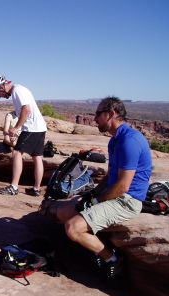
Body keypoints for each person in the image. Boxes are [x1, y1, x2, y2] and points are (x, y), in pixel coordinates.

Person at [53, 96, 152, 280]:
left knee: (72, 228)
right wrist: (92, 194)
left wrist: (96, 201)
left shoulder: (129, 141)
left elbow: (123, 186)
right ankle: (94, 245)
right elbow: (110, 177)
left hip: (128, 201)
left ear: (111, 114)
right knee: (61, 212)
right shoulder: (115, 140)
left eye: (98, 114)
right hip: (115, 195)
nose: (94, 119)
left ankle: (112, 258)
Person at [0, 75, 47, 197]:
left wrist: (16, 128)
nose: (0, 96)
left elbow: (26, 110)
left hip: (32, 128)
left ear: (2, 87)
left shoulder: (17, 90)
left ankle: (14, 187)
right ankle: (36, 189)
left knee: (16, 153)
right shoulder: (20, 89)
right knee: (37, 157)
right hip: (40, 127)